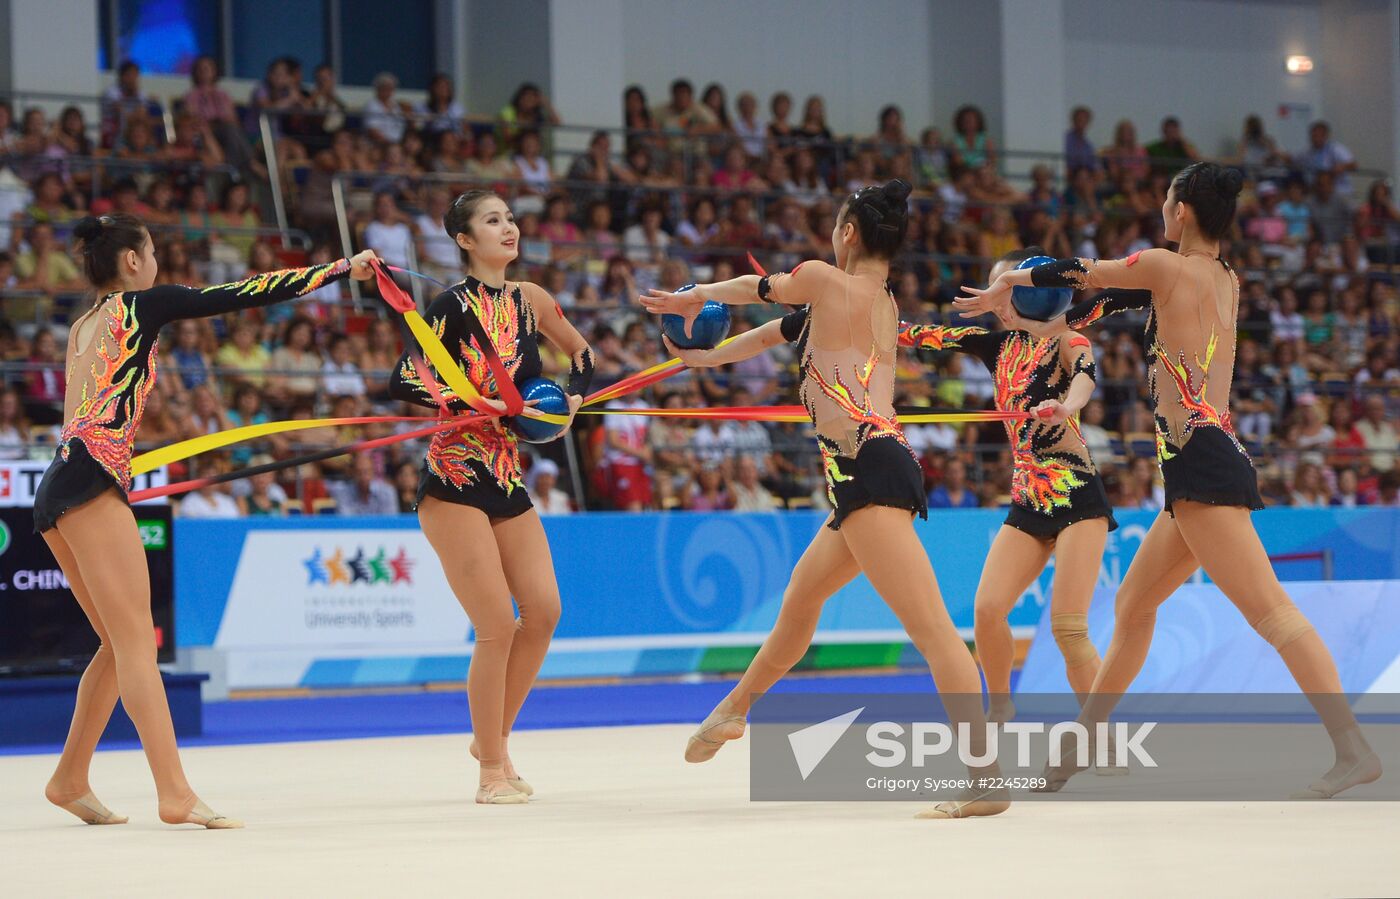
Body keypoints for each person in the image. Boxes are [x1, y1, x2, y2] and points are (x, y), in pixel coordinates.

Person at [955, 162, 1381, 798]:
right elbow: (1100, 299)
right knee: (1133, 606)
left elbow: (1079, 273)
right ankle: (1081, 742)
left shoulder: (1165, 264)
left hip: (1203, 463)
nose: (1160, 208)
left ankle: (1353, 747)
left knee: (1272, 613)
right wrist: (1038, 311)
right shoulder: (1223, 278)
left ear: (1181, 211)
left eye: (1166, 199)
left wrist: (1010, 282)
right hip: (1198, 463)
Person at [643, 180, 1009, 820]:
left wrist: (693, 295)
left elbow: (761, 289)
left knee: (933, 632)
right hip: (863, 472)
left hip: (871, 468)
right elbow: (766, 335)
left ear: (847, 233)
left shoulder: (822, 279)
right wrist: (700, 361)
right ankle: (734, 710)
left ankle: (984, 777)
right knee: (802, 598)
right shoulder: (875, 301)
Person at [34, 213, 375, 828]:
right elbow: (240, 294)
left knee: (117, 644)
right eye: (154, 251)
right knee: (138, 643)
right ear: (133, 261)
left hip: (61, 481)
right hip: (90, 483)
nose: (159, 261)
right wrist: (338, 270)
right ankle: (175, 793)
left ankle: (69, 778)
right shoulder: (140, 306)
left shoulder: (85, 323)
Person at [388, 190, 594, 804]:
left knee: (545, 612)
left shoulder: (530, 301)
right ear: (464, 241)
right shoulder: (451, 305)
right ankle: (490, 775)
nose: (508, 227)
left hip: (507, 477)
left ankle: (492, 739)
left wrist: (572, 399)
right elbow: (404, 375)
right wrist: (465, 401)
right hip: (453, 480)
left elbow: (581, 353)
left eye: (509, 217)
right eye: (492, 221)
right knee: (497, 625)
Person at [901, 246, 1125, 724]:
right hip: (1028, 498)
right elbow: (917, 335)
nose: (999, 298)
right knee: (987, 609)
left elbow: (1085, 377)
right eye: (994, 287)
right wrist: (848, 322)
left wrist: (1067, 405)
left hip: (1076, 495)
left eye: (1010, 287)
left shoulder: (1070, 338)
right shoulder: (995, 346)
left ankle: (1103, 732)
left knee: (1068, 628)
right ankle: (1001, 701)